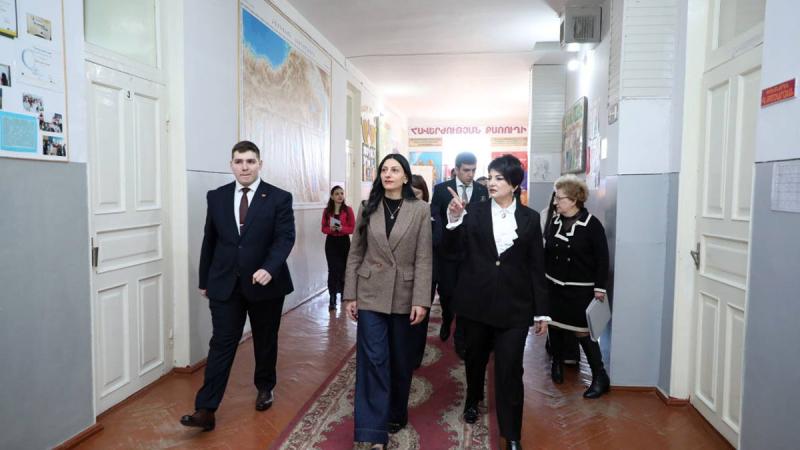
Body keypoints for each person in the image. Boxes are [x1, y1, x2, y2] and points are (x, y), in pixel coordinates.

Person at [180, 140, 296, 431]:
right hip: (225, 284)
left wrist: (270, 267)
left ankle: (265, 387)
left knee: (265, 339)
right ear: (231, 165)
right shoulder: (216, 197)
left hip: (265, 284)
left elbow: (285, 238)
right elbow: (210, 239)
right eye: (239, 161)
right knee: (221, 343)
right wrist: (204, 279)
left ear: (260, 164)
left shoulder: (279, 198)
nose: (244, 167)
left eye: (250, 161)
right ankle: (205, 409)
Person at [444, 154, 549, 450]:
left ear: (514, 184)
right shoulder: (474, 211)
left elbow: (536, 266)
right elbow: (452, 251)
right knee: (475, 359)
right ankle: (472, 398)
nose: (491, 183)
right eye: (490, 177)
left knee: (511, 368)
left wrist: (542, 312)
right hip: (476, 302)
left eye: (499, 178)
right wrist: (454, 220)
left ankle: (512, 433)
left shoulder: (530, 218)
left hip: (515, 307)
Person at [343, 154, 432, 449]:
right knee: (373, 359)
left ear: (406, 176)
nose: (388, 174)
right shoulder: (367, 207)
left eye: (395, 170)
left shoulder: (420, 210)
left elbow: (424, 258)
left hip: (404, 294)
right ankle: (372, 430)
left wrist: (421, 300)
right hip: (370, 293)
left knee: (400, 360)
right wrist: (351, 294)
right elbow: (355, 253)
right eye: (384, 169)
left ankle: (396, 411)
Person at [544, 174, 610, 398]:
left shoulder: (592, 225)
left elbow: (602, 259)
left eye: (559, 198)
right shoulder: (554, 221)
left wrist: (599, 287)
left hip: (580, 288)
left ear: (573, 200)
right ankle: (557, 363)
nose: (555, 202)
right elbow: (547, 253)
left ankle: (600, 376)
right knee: (554, 326)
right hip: (554, 286)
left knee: (583, 333)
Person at [430, 152, 488, 357]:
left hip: (472, 252)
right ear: (456, 169)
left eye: (473, 170)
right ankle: (447, 319)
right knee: (447, 292)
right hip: (447, 250)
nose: (470, 174)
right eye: (466, 170)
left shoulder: (482, 190)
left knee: (466, 295)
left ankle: (460, 336)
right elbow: (435, 217)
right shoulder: (441, 189)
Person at [541, 191, 581, 366]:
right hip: (551, 272)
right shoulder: (547, 215)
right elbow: (543, 241)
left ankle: (571, 352)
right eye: (556, 198)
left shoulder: (582, 219)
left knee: (571, 315)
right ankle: (556, 357)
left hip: (572, 276)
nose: (557, 202)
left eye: (561, 198)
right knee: (554, 314)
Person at [410, 174, 436, 369]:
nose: (412, 198)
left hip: (425, 273)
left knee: (419, 317)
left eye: (416, 194)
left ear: (424, 194)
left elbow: (437, 240)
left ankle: (415, 355)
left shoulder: (431, 213)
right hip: (402, 274)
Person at [321, 185, 355, 310]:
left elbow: (352, 228)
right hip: (331, 242)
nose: (340, 196)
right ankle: (332, 297)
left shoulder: (348, 210)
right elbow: (323, 228)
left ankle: (343, 294)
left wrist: (342, 228)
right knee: (332, 270)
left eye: (342, 193)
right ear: (332, 196)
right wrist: (330, 229)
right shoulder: (327, 211)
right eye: (337, 194)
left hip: (344, 242)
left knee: (343, 269)